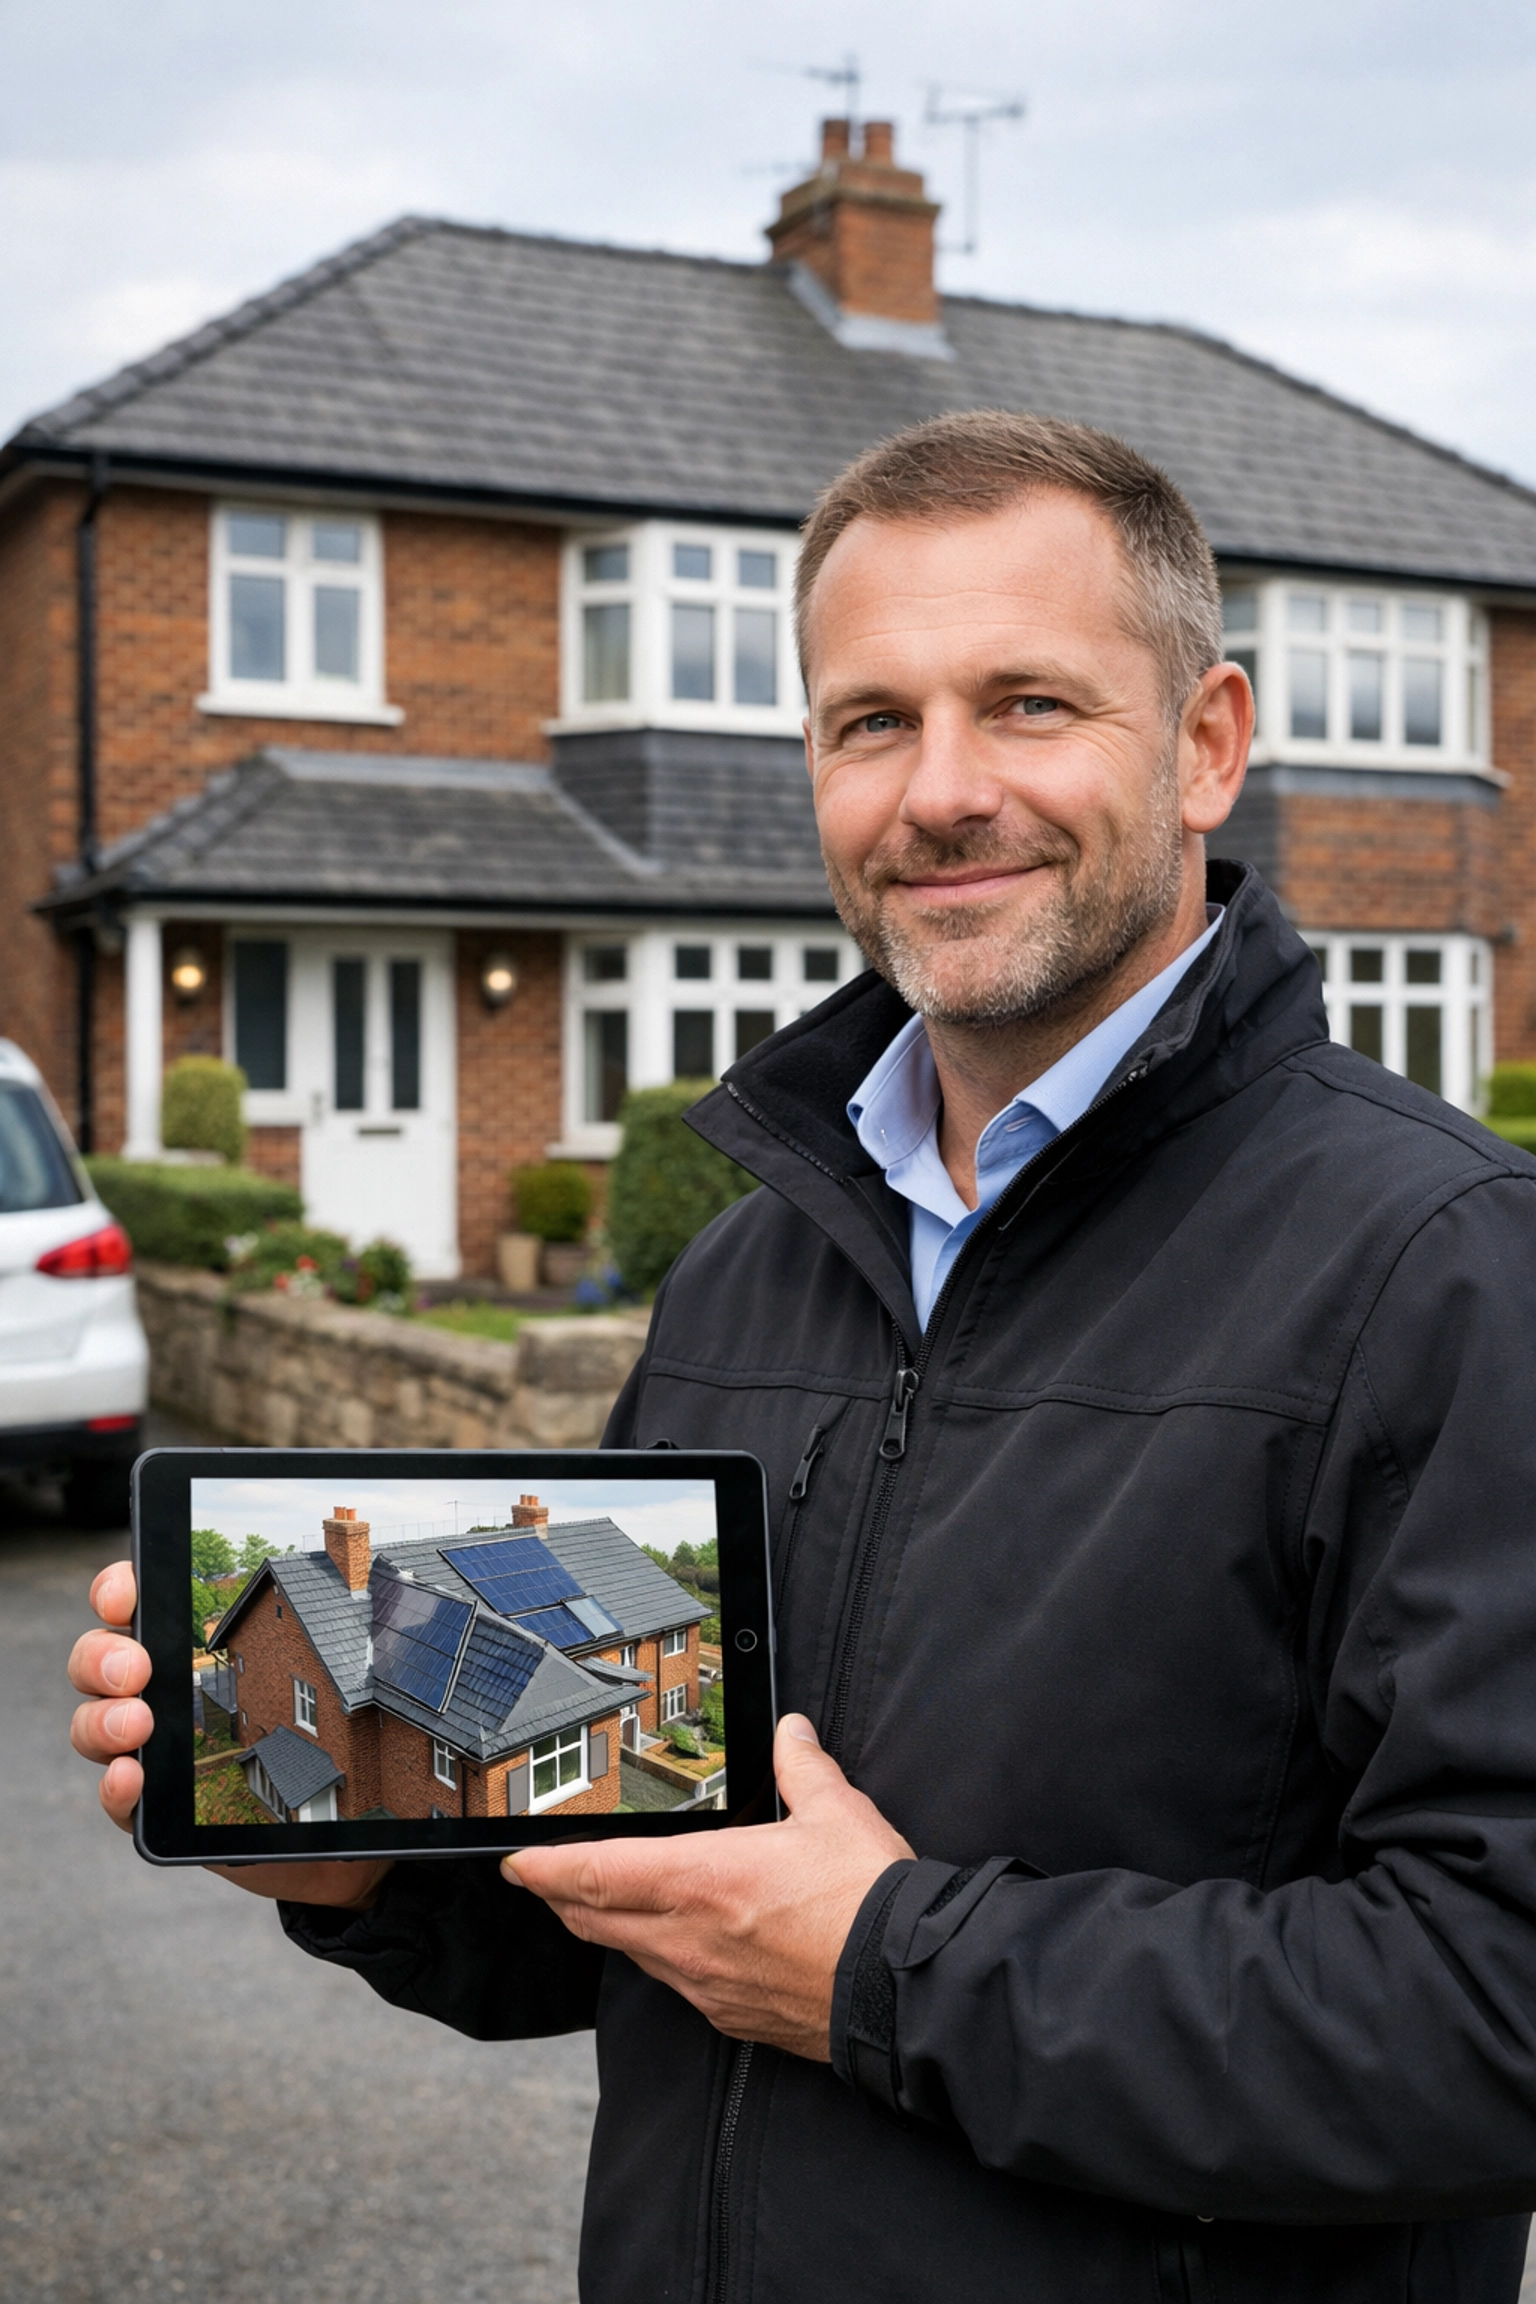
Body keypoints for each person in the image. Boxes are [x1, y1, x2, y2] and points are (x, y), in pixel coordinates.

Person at [72, 412, 1536, 2302]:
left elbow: (1500, 2007)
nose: (939, 792)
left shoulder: (1451, 1265)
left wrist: (881, 1964)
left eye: (1027, 705)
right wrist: (348, 1862)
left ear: (1205, 746)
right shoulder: (750, 1270)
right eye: (870, 722)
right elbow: (645, 1885)